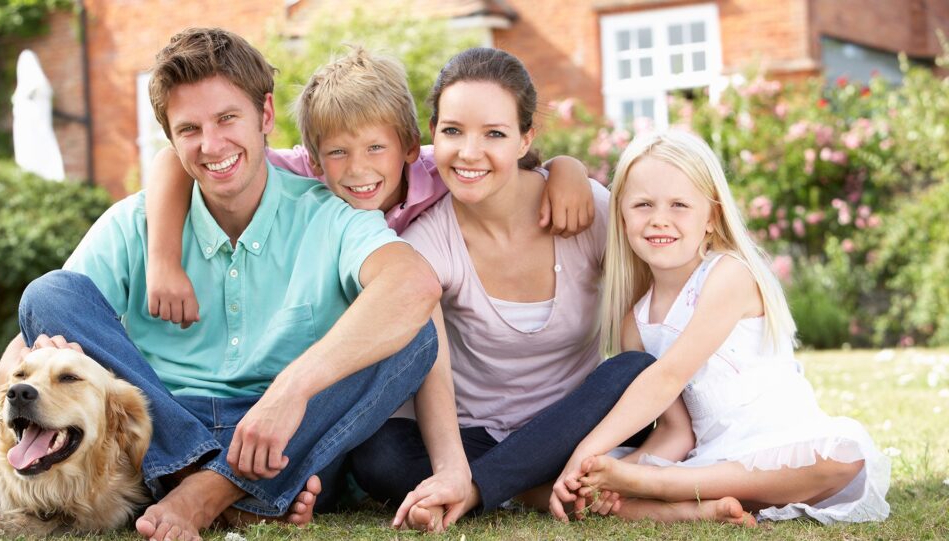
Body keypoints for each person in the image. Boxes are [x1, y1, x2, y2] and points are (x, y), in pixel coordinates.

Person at [0, 28, 444, 541]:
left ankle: (205, 491)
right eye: (189, 129)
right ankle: (211, 479)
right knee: (47, 293)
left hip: (285, 435)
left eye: (228, 118)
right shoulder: (134, 224)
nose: (212, 145)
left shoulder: (327, 215)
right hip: (165, 420)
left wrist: (290, 391)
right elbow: (31, 336)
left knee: (414, 334)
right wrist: (27, 361)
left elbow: (414, 283)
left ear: (266, 117)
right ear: (170, 138)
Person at [348, 47, 664, 532]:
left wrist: (569, 167)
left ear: (524, 138)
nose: (470, 153)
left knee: (637, 370)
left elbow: (646, 313)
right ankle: (536, 485)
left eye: (494, 133)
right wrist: (451, 466)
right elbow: (433, 366)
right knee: (378, 458)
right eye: (453, 131)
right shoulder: (425, 241)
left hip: (571, 424)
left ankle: (485, 490)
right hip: (476, 433)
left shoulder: (586, 210)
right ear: (432, 134)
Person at [549, 130, 891, 525]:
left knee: (842, 458)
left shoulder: (729, 275)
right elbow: (678, 433)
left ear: (711, 217)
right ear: (621, 216)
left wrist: (586, 455)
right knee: (550, 491)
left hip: (779, 446)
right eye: (642, 204)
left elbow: (667, 376)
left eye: (680, 205)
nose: (660, 218)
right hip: (710, 459)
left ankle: (660, 487)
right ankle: (693, 508)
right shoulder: (637, 320)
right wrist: (601, 474)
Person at [144, 47, 594, 328]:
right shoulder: (306, 171)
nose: (358, 171)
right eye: (338, 153)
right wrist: (163, 263)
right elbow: (174, 159)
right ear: (317, 159)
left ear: (410, 147)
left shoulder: (442, 168)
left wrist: (566, 170)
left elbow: (506, 160)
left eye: (376, 148)